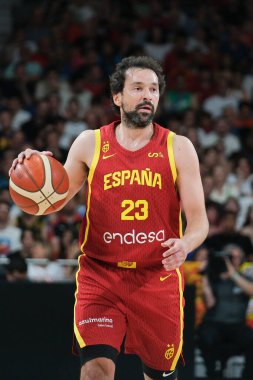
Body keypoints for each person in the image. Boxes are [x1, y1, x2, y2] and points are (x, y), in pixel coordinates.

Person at [9, 56, 209, 380]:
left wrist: (185, 244)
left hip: (155, 277)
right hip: (101, 276)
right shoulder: (90, 143)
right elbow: (55, 201)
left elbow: (199, 222)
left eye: (154, 90)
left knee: (158, 376)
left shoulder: (179, 148)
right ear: (117, 96)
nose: (148, 95)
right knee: (95, 372)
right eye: (138, 88)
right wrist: (41, 175)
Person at [197, 244, 253, 380]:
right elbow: (210, 303)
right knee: (205, 336)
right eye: (229, 256)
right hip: (214, 324)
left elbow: (251, 291)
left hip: (237, 325)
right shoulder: (214, 278)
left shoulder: (245, 277)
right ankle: (213, 375)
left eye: (235, 257)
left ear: (241, 259)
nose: (232, 260)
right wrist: (205, 276)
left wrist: (232, 273)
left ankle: (247, 376)